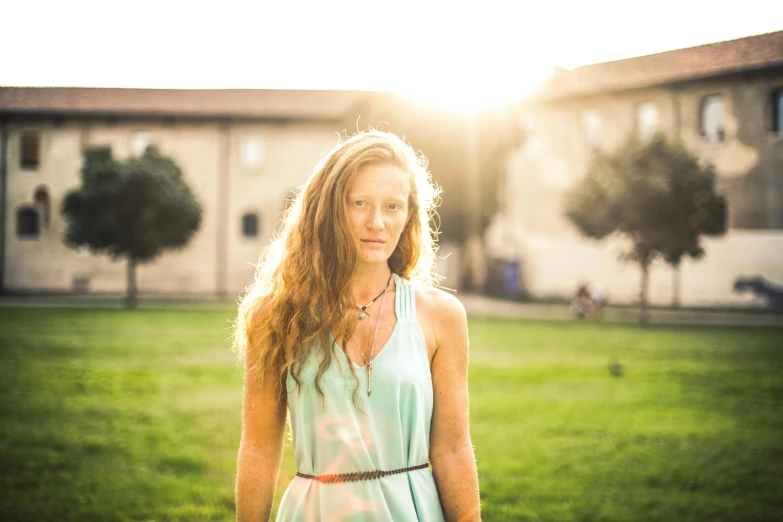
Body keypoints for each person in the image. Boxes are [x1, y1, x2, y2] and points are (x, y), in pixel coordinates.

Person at [233, 130, 481, 521]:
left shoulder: (441, 315)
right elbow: (260, 449)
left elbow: (452, 449)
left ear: (409, 216)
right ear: (329, 209)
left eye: (393, 207)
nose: (377, 222)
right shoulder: (277, 317)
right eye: (359, 203)